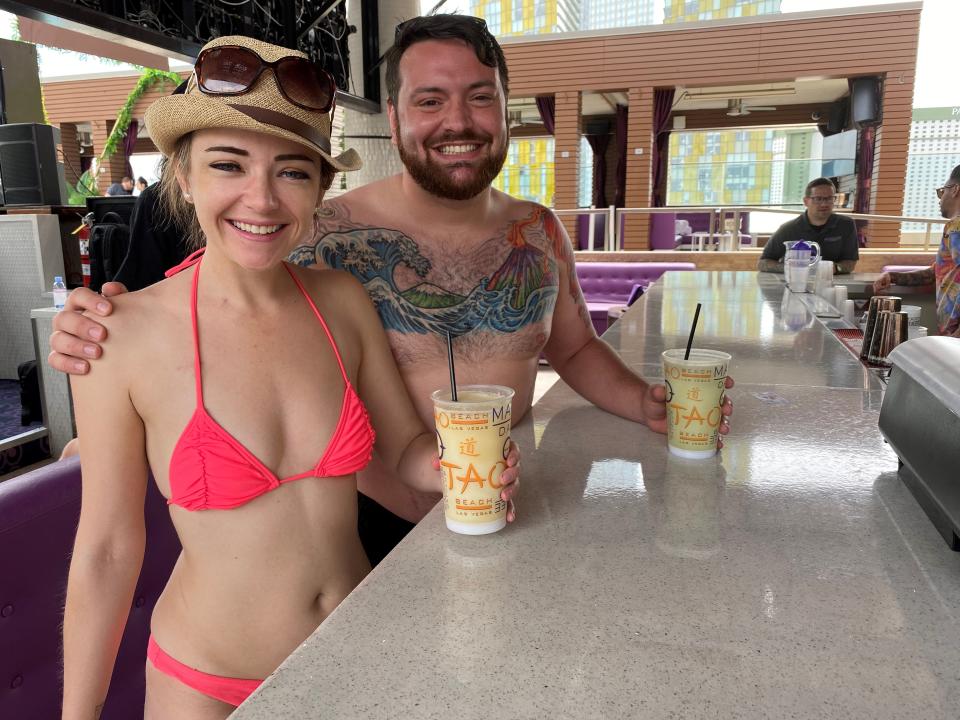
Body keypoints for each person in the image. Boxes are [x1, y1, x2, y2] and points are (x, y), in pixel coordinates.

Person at [49, 14, 731, 559]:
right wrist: (98, 343)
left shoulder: (540, 232)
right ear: (395, 116)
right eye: (430, 100)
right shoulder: (320, 229)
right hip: (360, 529)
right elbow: (208, 320)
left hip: (510, 504)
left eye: (479, 97)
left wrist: (641, 401)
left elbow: (576, 350)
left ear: (503, 111)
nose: (457, 122)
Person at [60, 35, 519, 720]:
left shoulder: (340, 300)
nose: (262, 199)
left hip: (353, 660)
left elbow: (403, 450)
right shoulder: (116, 336)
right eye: (228, 164)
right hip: (205, 687)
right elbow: (105, 551)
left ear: (321, 188)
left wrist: (466, 463)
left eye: (293, 172)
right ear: (183, 176)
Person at [872, 164, 960, 337]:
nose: (940, 199)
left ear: (956, 190)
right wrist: (894, 277)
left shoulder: (956, 227)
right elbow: (937, 272)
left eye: (943, 191)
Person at [758, 177, 859, 275]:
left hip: (831, 284)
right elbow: (763, 263)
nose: (824, 204)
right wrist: (790, 268)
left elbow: (850, 262)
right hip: (796, 284)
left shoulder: (846, 225)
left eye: (829, 199)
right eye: (818, 199)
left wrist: (836, 268)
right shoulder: (788, 229)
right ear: (806, 201)